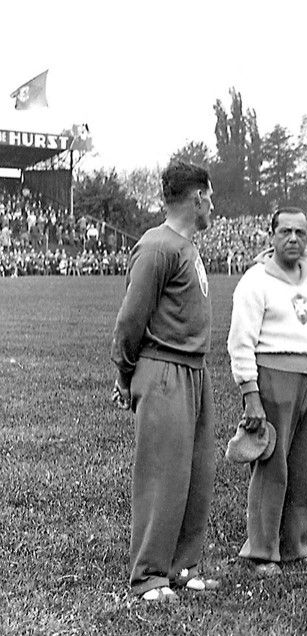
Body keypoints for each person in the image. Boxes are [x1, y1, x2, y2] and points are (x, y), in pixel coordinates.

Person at [110, 162, 218, 602]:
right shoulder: (157, 246)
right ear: (197, 198)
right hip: (165, 369)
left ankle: (183, 566)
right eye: (211, 196)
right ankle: (148, 575)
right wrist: (124, 373)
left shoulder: (187, 246)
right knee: (162, 474)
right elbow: (130, 321)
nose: (214, 205)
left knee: (195, 475)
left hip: (195, 370)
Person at [227, 207, 307, 577]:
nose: (292, 238)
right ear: (270, 236)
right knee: (272, 466)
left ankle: (295, 547)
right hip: (272, 375)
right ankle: (261, 552)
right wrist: (250, 393)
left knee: (306, 470)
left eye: (300, 233)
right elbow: (240, 341)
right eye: (284, 231)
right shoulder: (255, 281)